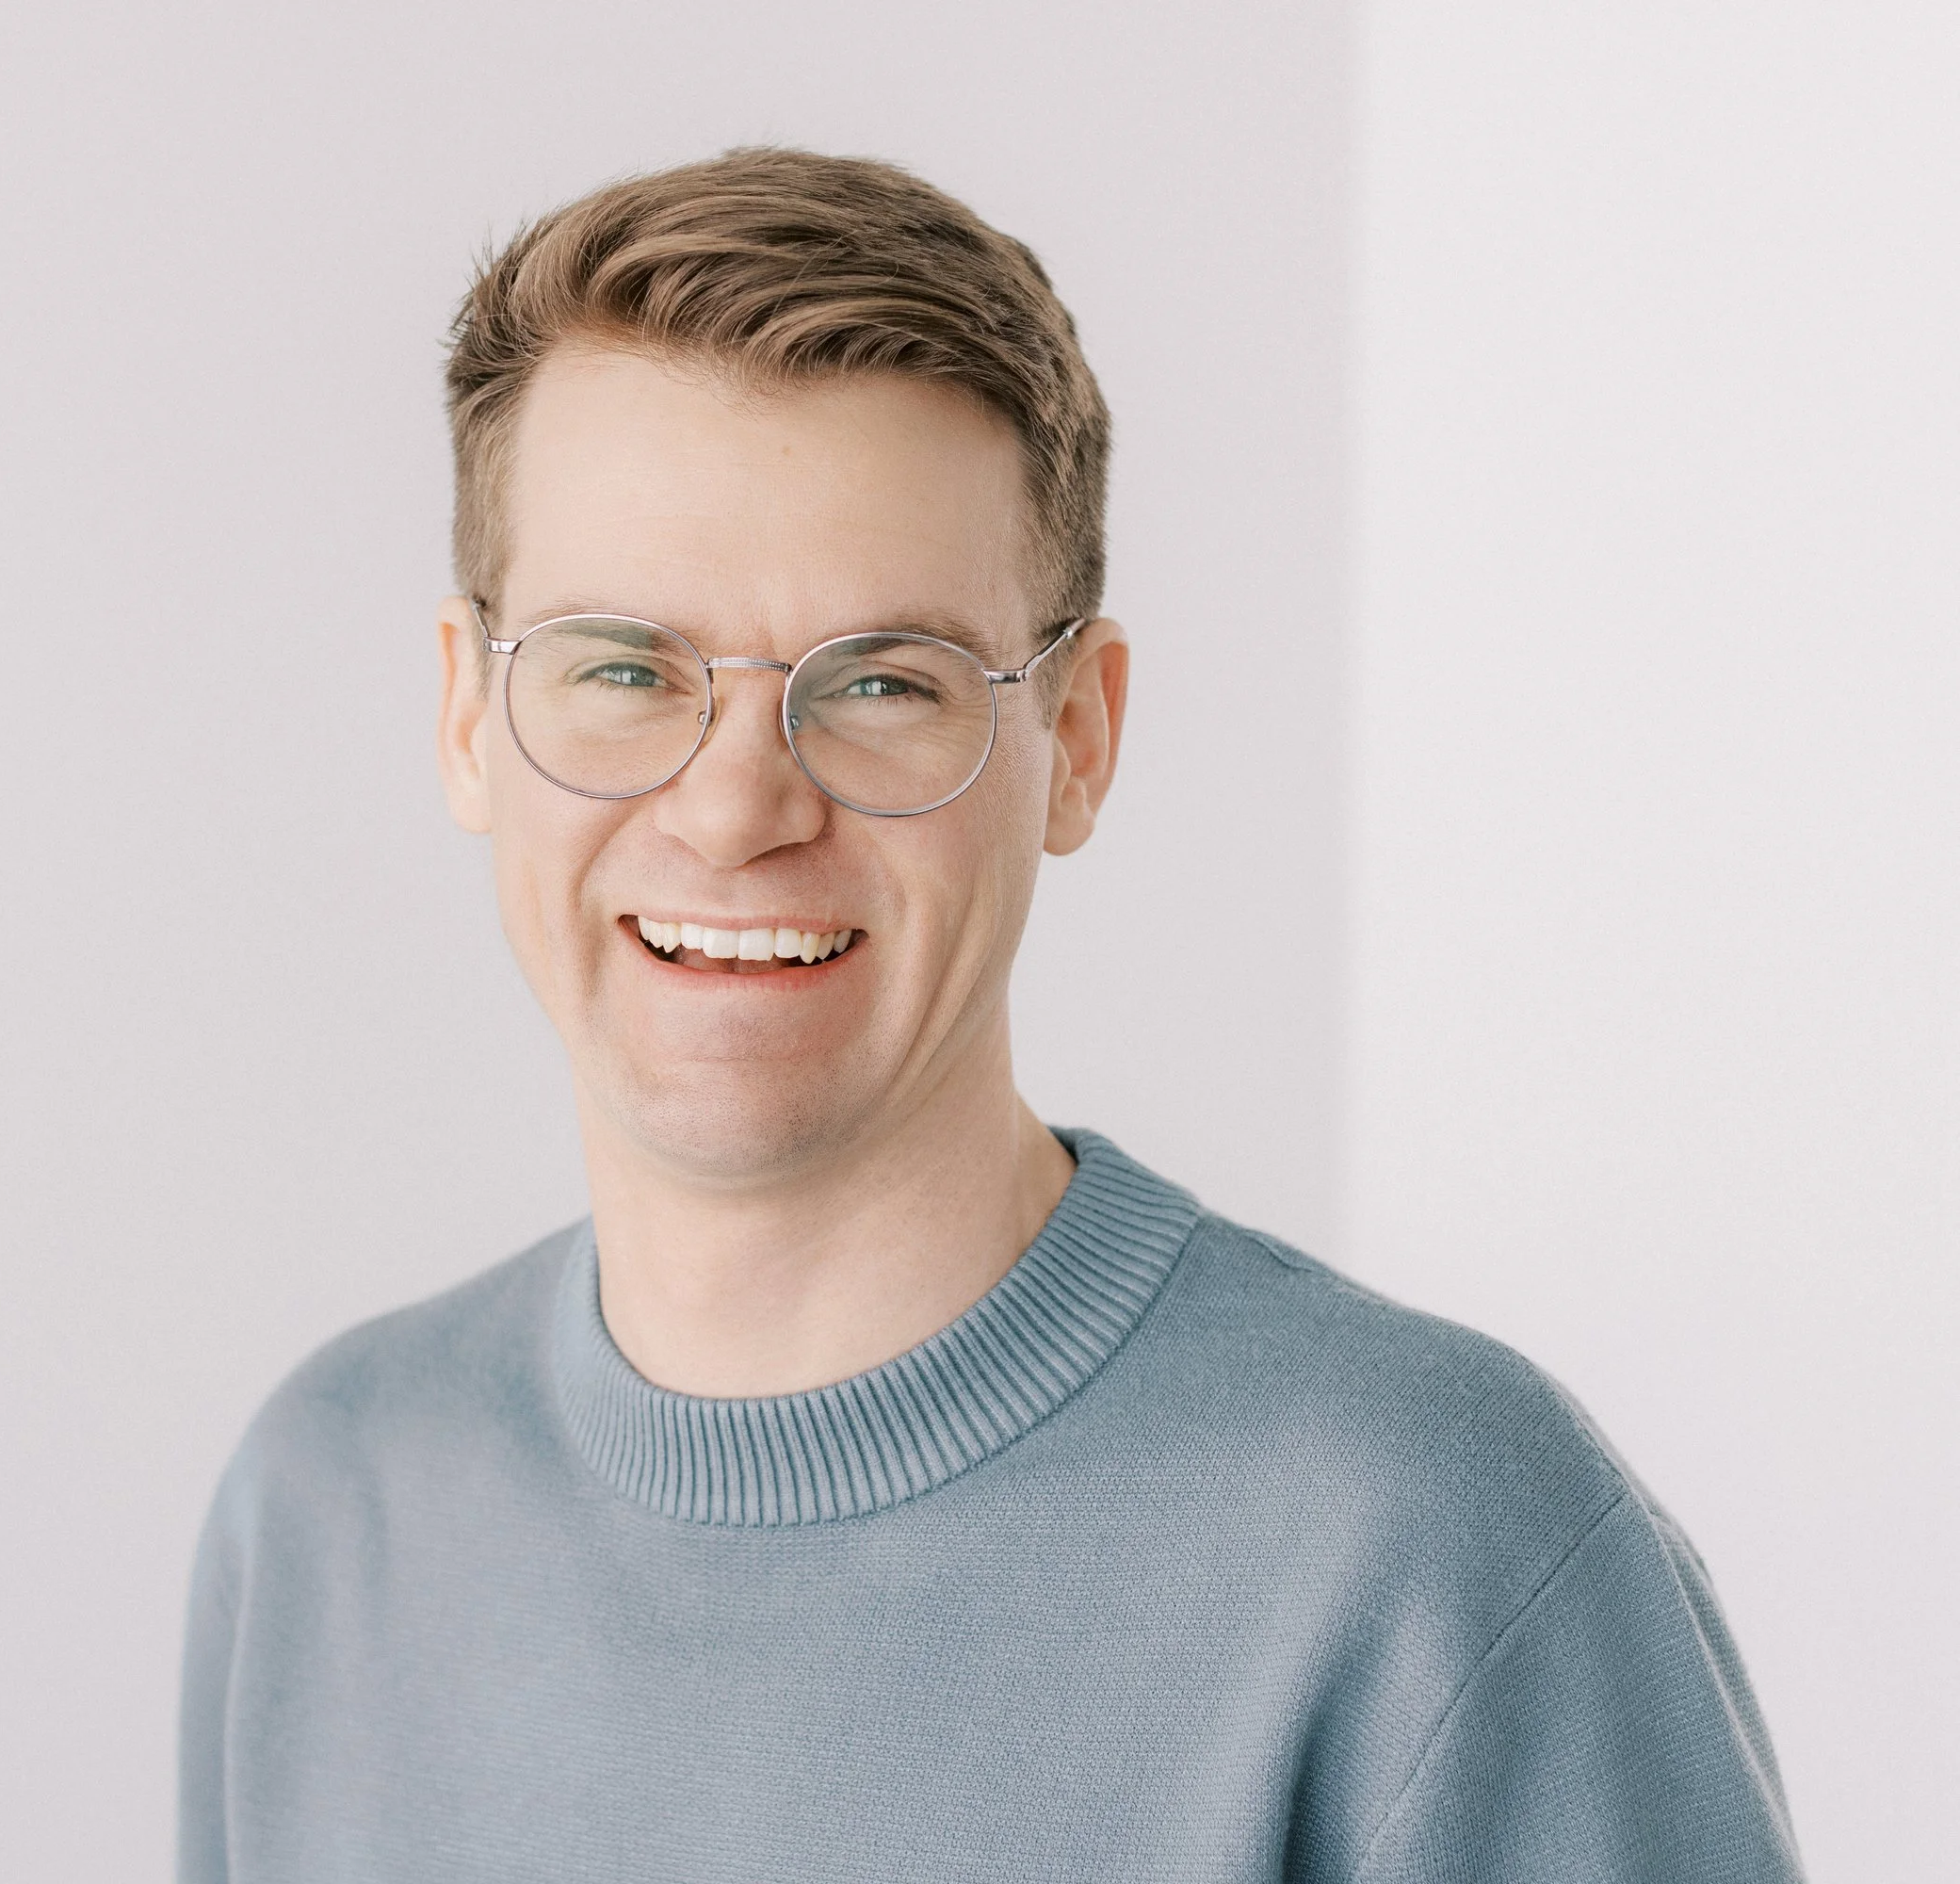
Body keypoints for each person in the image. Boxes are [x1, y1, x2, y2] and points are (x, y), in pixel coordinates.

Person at [176, 147, 1803, 1883]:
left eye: (880, 683)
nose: (735, 808)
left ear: (1079, 742)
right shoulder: (325, 1512)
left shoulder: (1435, 1548)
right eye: (626, 669)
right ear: (464, 719)